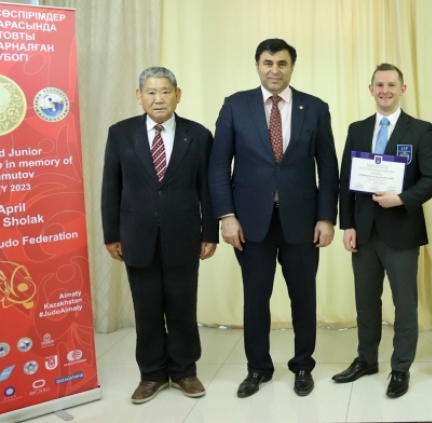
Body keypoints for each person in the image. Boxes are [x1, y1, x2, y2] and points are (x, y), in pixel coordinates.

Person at [208, 38, 339, 398]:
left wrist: (327, 217)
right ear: (257, 66)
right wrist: (226, 216)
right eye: (268, 63)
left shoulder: (314, 108)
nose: (274, 70)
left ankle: (302, 366)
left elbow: (328, 166)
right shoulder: (235, 106)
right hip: (250, 223)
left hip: (302, 219)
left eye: (282, 63)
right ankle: (258, 368)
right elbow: (219, 165)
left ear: (291, 67)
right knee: (255, 298)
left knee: (304, 297)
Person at [101, 66, 218, 404]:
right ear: (139, 96)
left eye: (165, 91)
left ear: (177, 95)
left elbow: (207, 189)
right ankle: (151, 374)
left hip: (184, 236)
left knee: (182, 306)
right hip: (136, 235)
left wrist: (208, 231)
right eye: (150, 92)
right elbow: (111, 187)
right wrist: (112, 234)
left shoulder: (197, 135)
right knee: (147, 308)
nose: (158, 98)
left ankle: (184, 371)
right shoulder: (120, 133)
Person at [333, 63, 432, 398]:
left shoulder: (421, 131)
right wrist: (347, 224)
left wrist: (403, 199)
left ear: (402, 89)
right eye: (379, 85)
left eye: (391, 85)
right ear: (371, 89)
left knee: (404, 304)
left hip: (401, 231)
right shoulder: (357, 129)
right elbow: (345, 180)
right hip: (363, 231)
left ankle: (400, 368)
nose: (385, 90)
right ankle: (366, 359)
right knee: (366, 303)